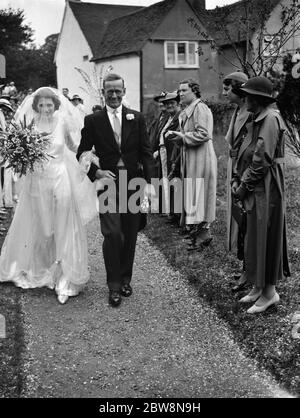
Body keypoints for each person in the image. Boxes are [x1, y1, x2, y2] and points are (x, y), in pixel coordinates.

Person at [0, 87, 98, 304]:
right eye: (42, 105)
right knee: (42, 224)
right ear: (36, 106)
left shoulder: (62, 122)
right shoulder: (30, 125)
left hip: (60, 177)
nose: (46, 108)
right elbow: (22, 151)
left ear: (55, 105)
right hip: (37, 181)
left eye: (49, 104)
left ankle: (65, 273)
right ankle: (42, 267)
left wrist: (87, 153)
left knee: (62, 222)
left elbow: (73, 146)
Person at [77, 73, 156, 307]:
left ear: (124, 91)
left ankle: (125, 279)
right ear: (103, 92)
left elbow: (146, 153)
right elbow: (81, 152)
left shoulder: (137, 118)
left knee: (130, 233)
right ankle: (113, 285)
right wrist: (96, 173)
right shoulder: (93, 120)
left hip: (133, 183)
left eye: (117, 91)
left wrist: (150, 183)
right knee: (112, 234)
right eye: (109, 91)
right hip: (108, 184)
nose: (113, 95)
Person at [232, 76, 290, 313]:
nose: (243, 99)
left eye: (246, 95)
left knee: (265, 233)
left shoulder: (270, 119)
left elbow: (261, 160)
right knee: (255, 235)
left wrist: (243, 185)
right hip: (257, 183)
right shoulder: (258, 117)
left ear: (257, 99)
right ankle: (258, 287)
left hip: (266, 185)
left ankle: (269, 293)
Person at [166, 79, 217, 250]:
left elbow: (204, 134)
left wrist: (183, 137)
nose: (180, 94)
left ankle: (203, 234)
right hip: (192, 157)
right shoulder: (188, 111)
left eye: (184, 90)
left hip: (202, 157)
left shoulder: (200, 108)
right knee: (194, 193)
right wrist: (178, 138)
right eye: (179, 91)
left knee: (201, 194)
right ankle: (198, 234)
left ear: (194, 91)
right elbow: (188, 135)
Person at [223, 71, 252, 291]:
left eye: (227, 88)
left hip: (245, 171)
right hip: (235, 168)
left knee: (246, 220)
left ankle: (249, 271)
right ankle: (245, 267)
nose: (224, 93)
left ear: (239, 90)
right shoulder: (237, 110)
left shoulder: (250, 114)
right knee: (238, 218)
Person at [153, 91, 181, 220]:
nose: (169, 106)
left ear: (178, 103)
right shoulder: (168, 118)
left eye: (172, 103)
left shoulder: (179, 117)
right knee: (165, 179)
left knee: (173, 179)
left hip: (173, 152)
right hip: (164, 151)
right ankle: (169, 209)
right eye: (167, 103)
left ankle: (175, 212)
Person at [0, 98, 18, 208]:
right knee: (3, 175)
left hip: (4, 149)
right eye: (5, 109)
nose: (6, 112)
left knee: (6, 176)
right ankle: (3, 201)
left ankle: (6, 200)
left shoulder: (1, 116)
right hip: (2, 150)